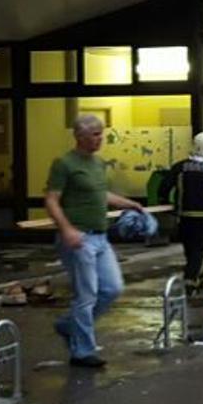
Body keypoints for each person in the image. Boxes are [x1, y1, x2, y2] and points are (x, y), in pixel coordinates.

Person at [44, 114, 144, 368]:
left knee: (112, 288)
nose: (100, 139)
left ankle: (69, 325)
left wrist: (129, 203)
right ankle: (82, 351)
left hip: (100, 237)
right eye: (95, 134)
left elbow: (101, 194)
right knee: (86, 296)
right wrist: (67, 230)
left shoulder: (98, 163)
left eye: (101, 133)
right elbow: (52, 200)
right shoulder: (64, 164)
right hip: (79, 238)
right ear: (79, 136)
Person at [167, 131, 203, 290]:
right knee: (201, 250)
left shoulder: (180, 167)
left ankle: (197, 278)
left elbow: (164, 186)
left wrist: (168, 203)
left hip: (185, 216)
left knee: (189, 248)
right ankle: (192, 280)